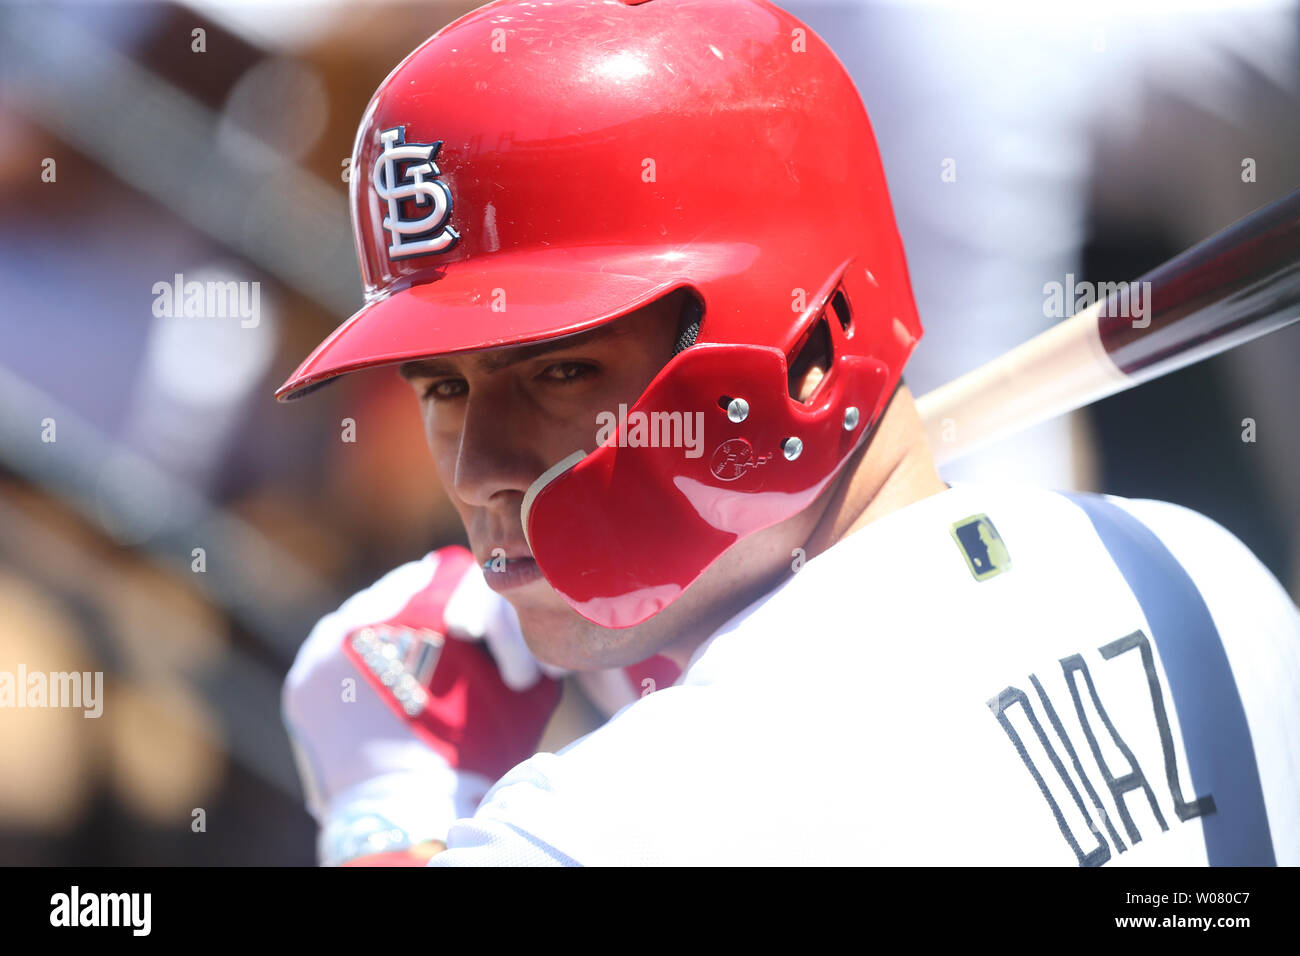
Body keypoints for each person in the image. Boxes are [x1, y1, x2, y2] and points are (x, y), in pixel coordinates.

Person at [279, 0, 1300, 866]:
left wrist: (394, 799)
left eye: (556, 371)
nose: (478, 466)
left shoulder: (631, 815)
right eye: (442, 387)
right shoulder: (1197, 571)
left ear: (810, 348)